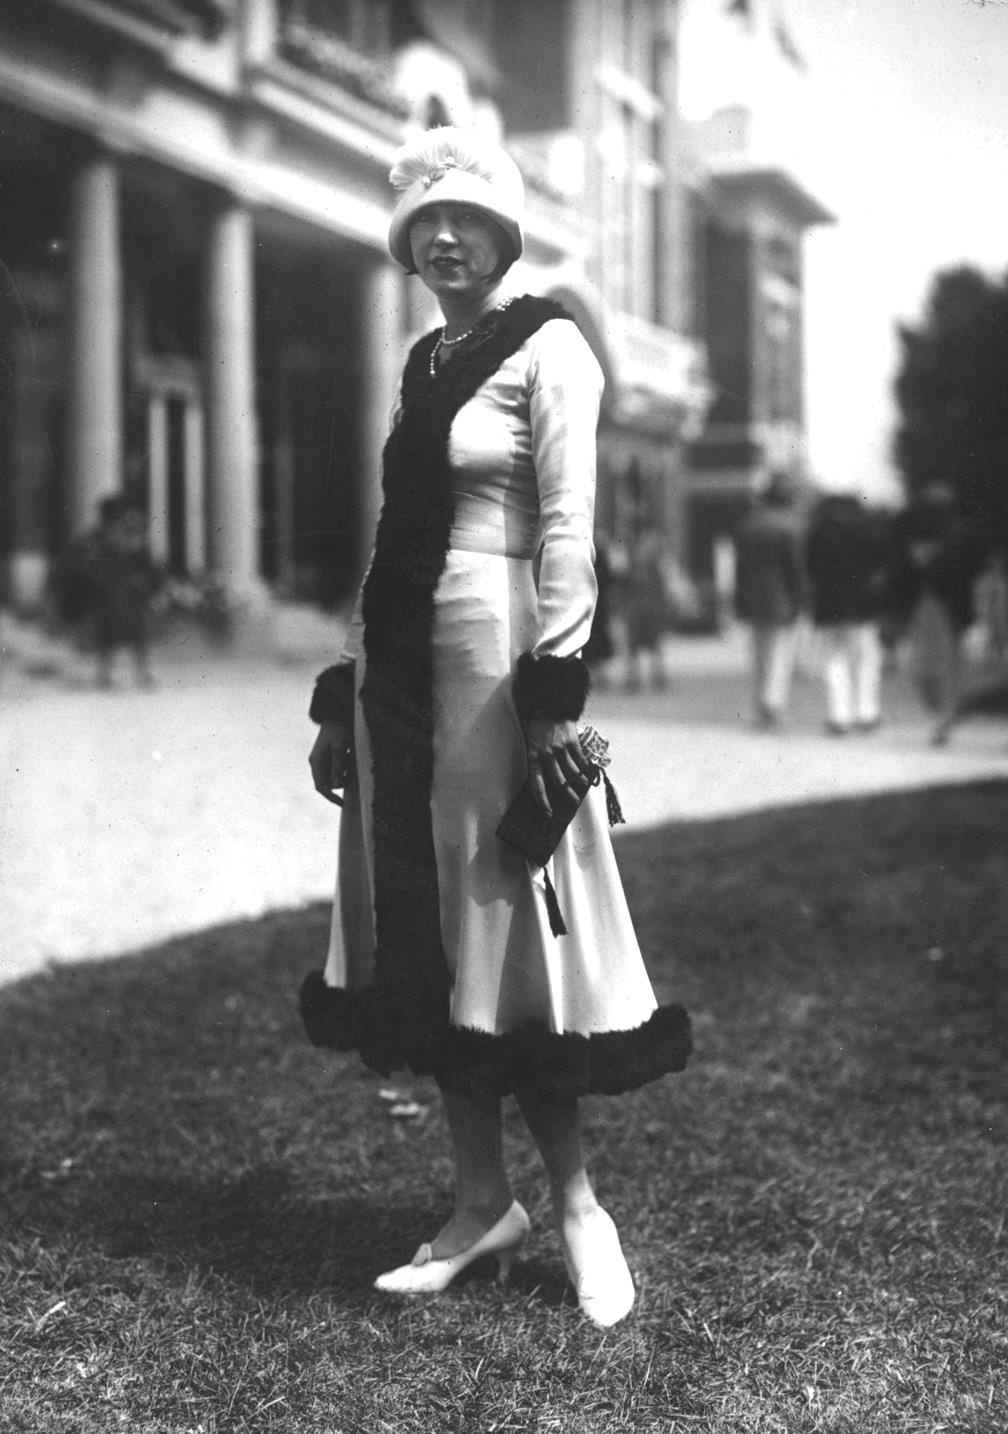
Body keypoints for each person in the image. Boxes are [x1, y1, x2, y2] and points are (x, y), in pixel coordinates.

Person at [301, 127, 691, 1328]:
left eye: (467, 217)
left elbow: (568, 530)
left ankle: (576, 1206)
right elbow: (393, 537)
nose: (445, 239)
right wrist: (346, 692)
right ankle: (481, 1201)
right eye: (426, 224)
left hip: (497, 661)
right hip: (405, 671)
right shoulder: (426, 361)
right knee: (426, 925)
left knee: (508, 914)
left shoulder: (551, 347)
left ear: (510, 231)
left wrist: (552, 693)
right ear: (407, 244)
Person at [804, 493, 890, 734]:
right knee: (866, 660)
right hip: (862, 607)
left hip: (829, 607)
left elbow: (810, 570)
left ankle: (838, 715)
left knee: (833, 660)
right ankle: (867, 712)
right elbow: (880, 569)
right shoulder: (866, 531)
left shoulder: (817, 533)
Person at [55, 494, 159, 687]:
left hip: (128, 595)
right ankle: (105, 675)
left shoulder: (129, 536)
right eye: (116, 515)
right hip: (108, 595)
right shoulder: (96, 539)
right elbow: (83, 564)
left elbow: (145, 564)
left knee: (136, 633)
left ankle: (140, 673)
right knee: (109, 636)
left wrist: (143, 580)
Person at [732, 471, 806, 728]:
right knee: (779, 653)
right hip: (782, 598)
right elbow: (795, 568)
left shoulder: (748, 524)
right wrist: (800, 598)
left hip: (752, 597)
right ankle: (773, 705)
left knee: (760, 654)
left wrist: (739, 601)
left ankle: (761, 704)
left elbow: (739, 569)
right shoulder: (791, 526)